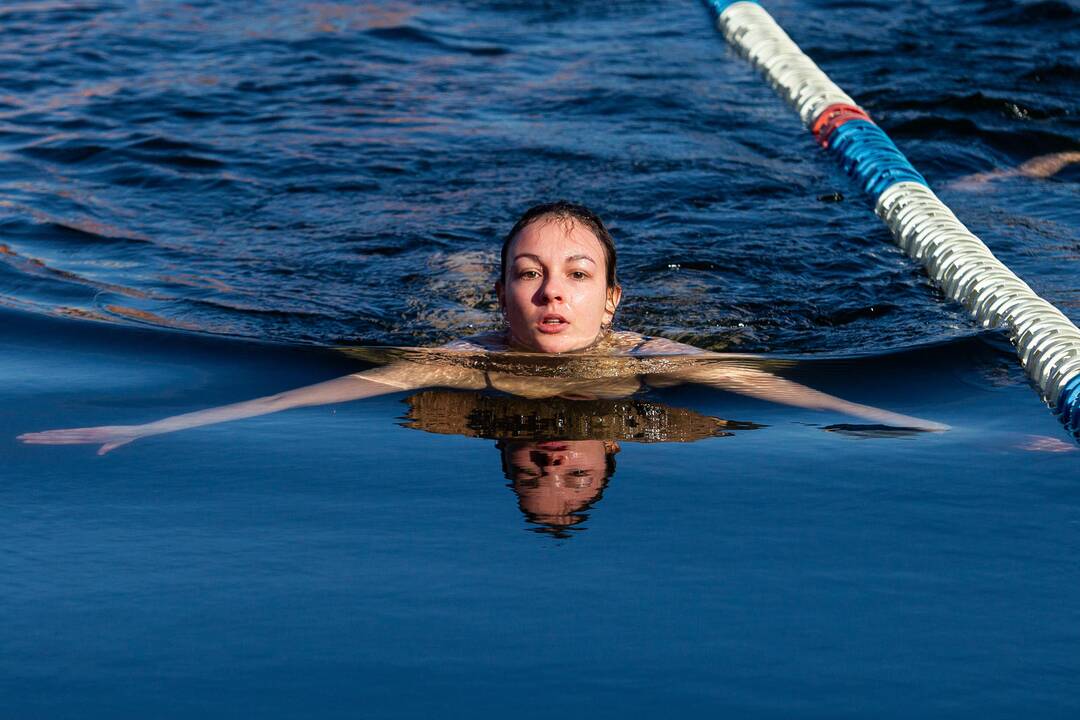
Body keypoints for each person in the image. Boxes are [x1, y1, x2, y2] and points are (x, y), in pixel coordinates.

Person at [17, 201, 947, 455]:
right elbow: (308, 395)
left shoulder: (658, 361)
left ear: (612, 301)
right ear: (502, 299)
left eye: (578, 277)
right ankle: (458, 262)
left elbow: (804, 396)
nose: (553, 294)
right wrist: (149, 426)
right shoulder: (455, 365)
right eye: (529, 276)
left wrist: (959, 429)